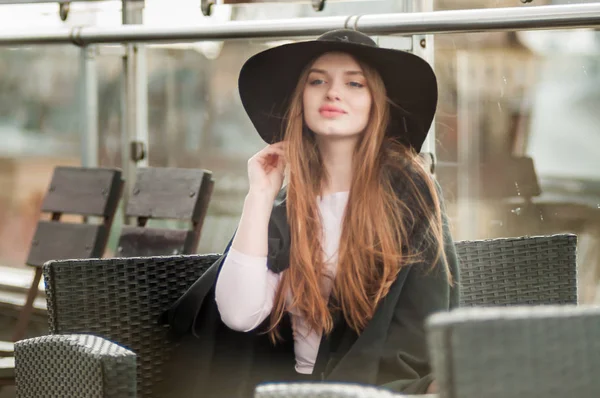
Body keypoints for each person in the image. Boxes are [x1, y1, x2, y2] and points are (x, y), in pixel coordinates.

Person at [160, 29, 460, 398]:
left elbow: (421, 322)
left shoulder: (411, 195)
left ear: (375, 103)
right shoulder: (286, 208)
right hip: (299, 389)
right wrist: (260, 195)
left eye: (354, 84)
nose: (333, 92)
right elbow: (239, 314)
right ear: (301, 99)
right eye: (318, 80)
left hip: (384, 385)